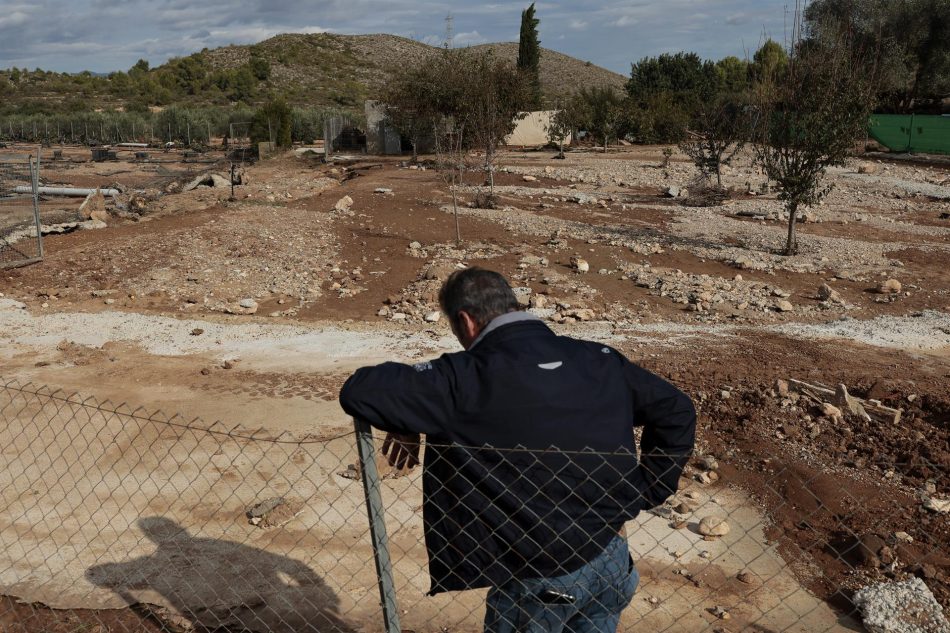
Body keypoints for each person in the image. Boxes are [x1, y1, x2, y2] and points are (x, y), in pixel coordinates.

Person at [339, 268, 696, 633]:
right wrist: (649, 489)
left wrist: (407, 418)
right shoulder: (599, 359)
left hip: (540, 578)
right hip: (612, 556)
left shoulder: (463, 378)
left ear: (465, 321)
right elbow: (677, 410)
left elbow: (360, 389)